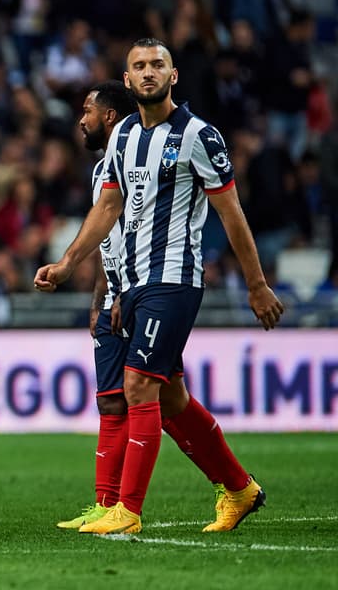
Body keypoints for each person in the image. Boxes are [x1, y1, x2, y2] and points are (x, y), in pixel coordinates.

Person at [36, 39, 284, 535]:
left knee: (137, 386)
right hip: (132, 284)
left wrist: (256, 285)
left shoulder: (199, 136)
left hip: (173, 279)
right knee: (171, 399)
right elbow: (108, 208)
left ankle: (126, 510)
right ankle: (239, 488)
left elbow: (231, 213)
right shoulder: (125, 135)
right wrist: (67, 263)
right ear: (127, 80)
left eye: (157, 65)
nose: (148, 72)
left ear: (173, 76)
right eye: (139, 66)